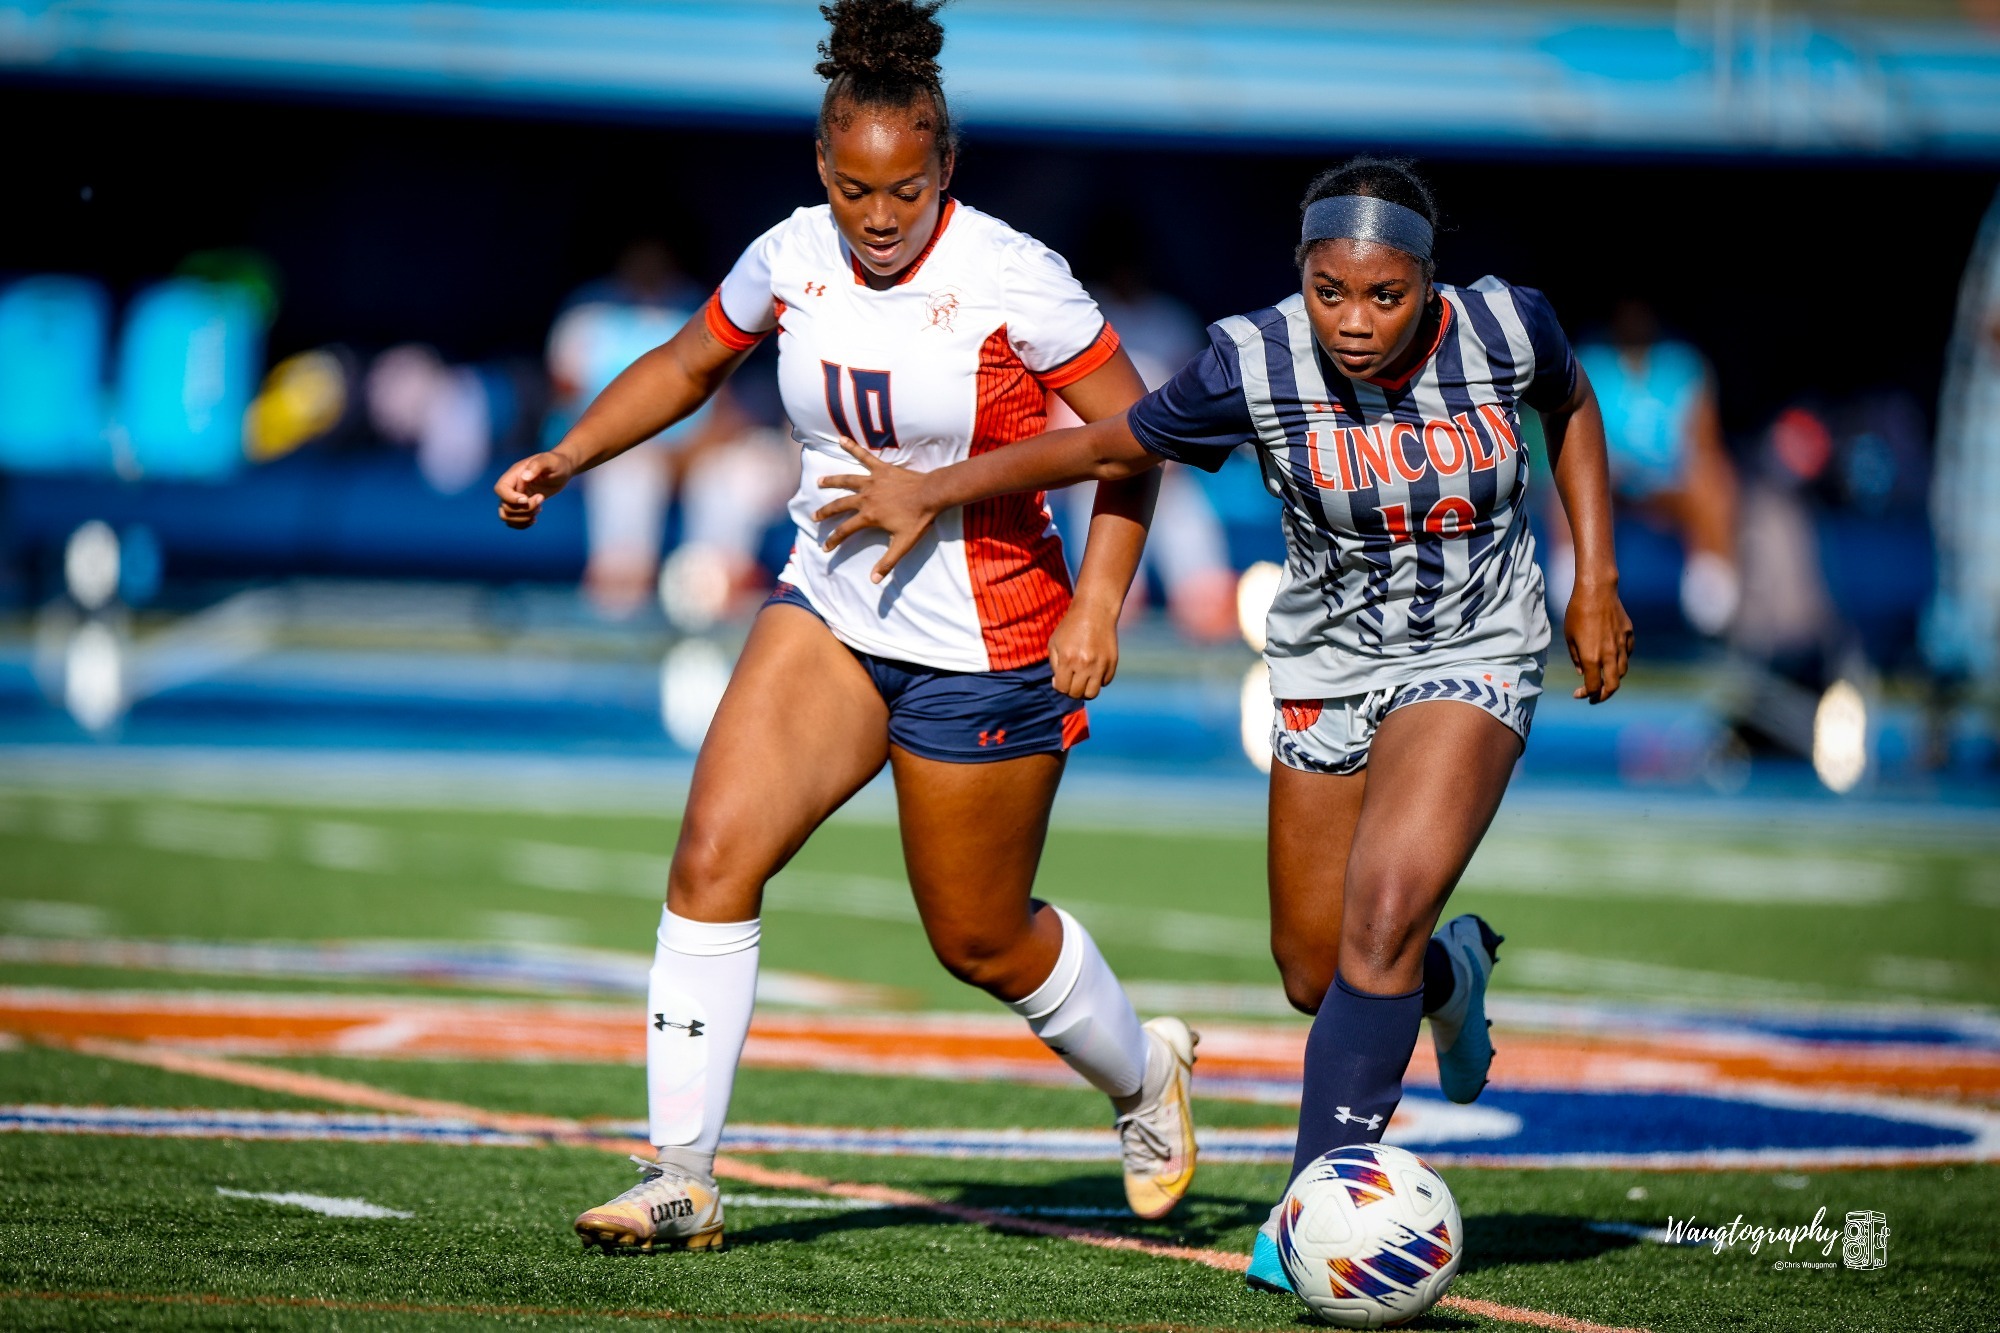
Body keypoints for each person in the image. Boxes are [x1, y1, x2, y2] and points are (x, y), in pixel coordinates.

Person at [814, 156, 1631, 1289]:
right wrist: (931, 488)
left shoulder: (1503, 325)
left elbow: (1570, 403)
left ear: (1426, 283)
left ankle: (1312, 1219)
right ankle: (1451, 978)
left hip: (1473, 646)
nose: (1351, 321)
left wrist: (1593, 576)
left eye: (1382, 296)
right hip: (1322, 655)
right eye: (1327, 290)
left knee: (1378, 918)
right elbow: (1112, 446)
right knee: (1316, 967)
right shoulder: (1251, 357)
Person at [493, 0, 1197, 1255]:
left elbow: (1129, 434)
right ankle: (680, 1173)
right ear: (823, 169)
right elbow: (688, 360)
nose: (881, 216)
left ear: (945, 172)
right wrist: (572, 452)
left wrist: (1097, 598)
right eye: (858, 187)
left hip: (986, 635)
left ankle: (1144, 1077)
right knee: (713, 853)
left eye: (907, 189)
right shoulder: (791, 252)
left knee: (978, 936)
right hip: (827, 603)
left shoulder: (1010, 275)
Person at [1557, 299, 1738, 637]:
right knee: (1566, 479)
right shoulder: (1589, 359)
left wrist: (1671, 479)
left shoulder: (1684, 364)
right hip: (1607, 478)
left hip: (1670, 483)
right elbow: (1571, 435)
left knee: (1714, 479)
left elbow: (1705, 443)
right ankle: (1571, 588)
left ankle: (1712, 602)